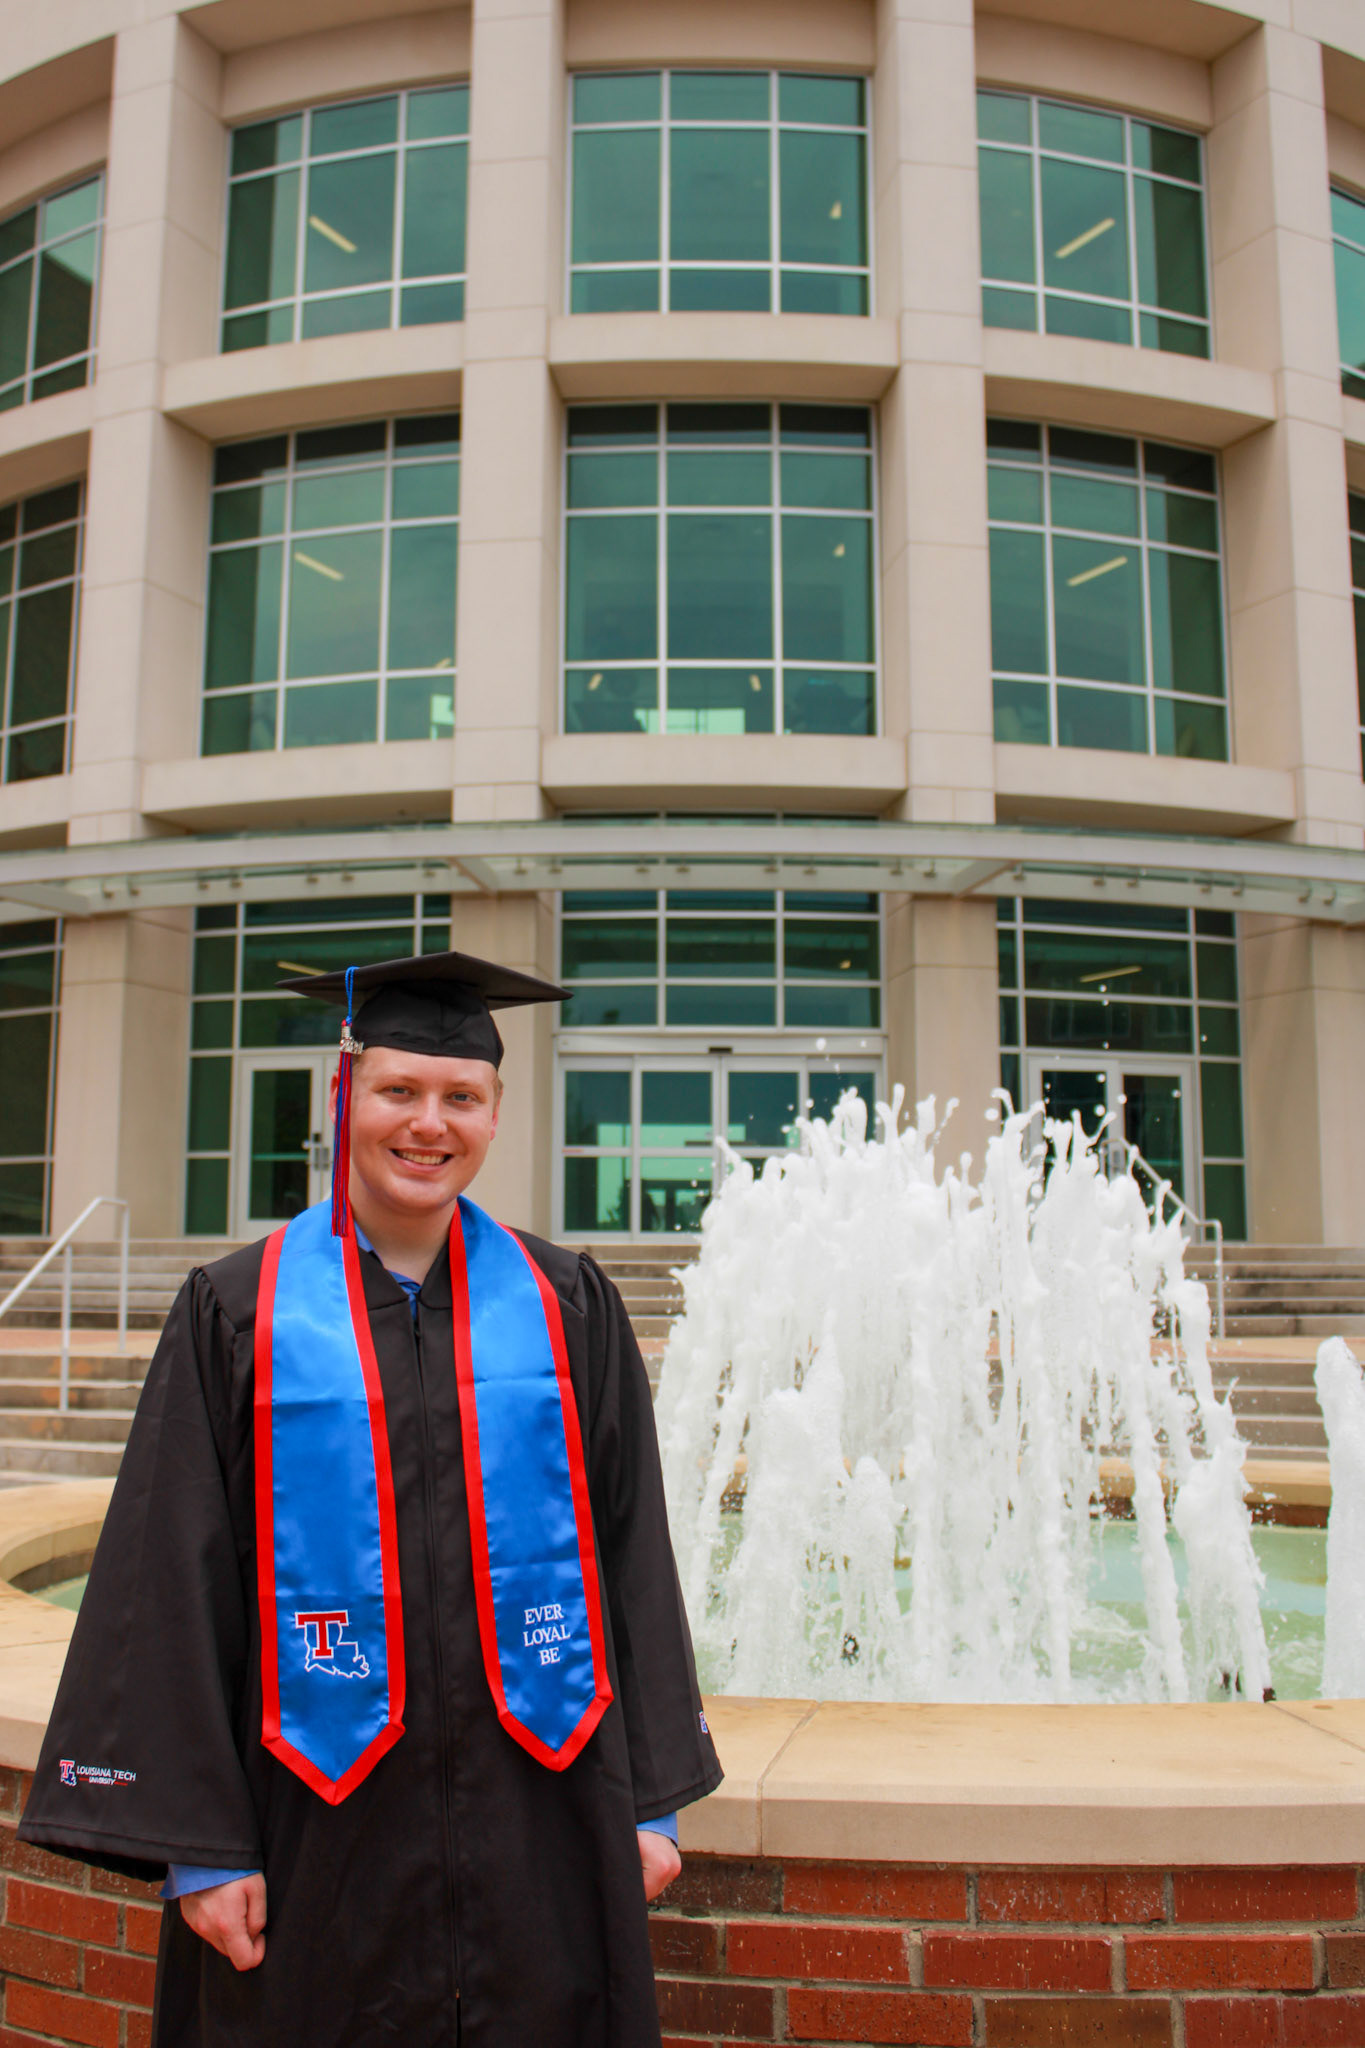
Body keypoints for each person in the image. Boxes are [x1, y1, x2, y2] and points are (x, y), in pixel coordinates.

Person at [20, 949, 722, 2047]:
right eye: (400, 1089)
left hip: (543, 1814)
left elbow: (631, 1552)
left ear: (495, 1114)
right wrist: (204, 1850)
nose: (429, 1124)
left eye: (461, 1097)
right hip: (310, 1826)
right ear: (345, 1095)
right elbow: (169, 1574)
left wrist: (652, 1798)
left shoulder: (567, 1305)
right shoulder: (237, 1310)